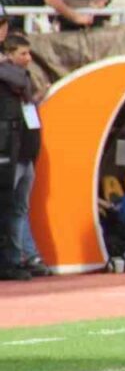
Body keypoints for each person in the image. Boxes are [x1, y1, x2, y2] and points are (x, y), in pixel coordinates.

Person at [1, 34, 50, 275]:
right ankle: (13, 259)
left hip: (25, 155)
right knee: (10, 208)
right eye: (23, 54)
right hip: (10, 156)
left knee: (20, 209)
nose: (28, 58)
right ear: (8, 55)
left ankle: (25, 256)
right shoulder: (9, 78)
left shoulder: (23, 82)